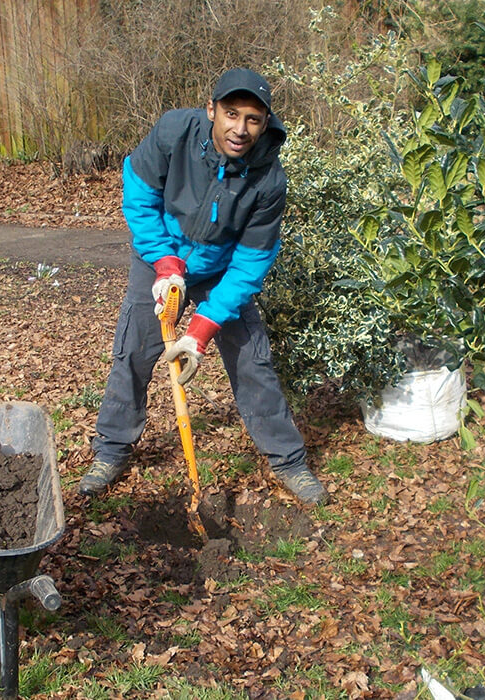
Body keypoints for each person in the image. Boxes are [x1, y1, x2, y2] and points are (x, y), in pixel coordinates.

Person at [78, 67, 327, 505]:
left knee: (254, 361)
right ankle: (111, 450)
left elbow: (252, 260)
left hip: (221, 269)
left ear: (265, 122)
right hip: (160, 258)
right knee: (133, 352)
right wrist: (163, 261)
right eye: (231, 114)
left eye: (253, 118)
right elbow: (139, 192)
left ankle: (288, 461)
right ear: (211, 109)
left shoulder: (268, 179)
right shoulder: (174, 132)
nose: (240, 128)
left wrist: (202, 328)